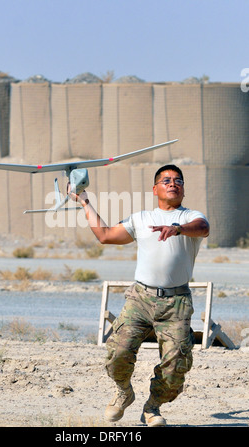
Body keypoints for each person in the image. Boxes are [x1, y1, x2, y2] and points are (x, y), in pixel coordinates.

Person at [69, 164, 209, 426]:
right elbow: (105, 235)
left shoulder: (191, 217)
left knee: (176, 366)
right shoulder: (141, 218)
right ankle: (124, 392)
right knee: (118, 352)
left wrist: (178, 228)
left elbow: (203, 227)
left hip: (176, 303)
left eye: (178, 180)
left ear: (183, 189)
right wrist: (84, 202)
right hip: (140, 299)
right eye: (166, 180)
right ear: (155, 188)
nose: (172, 183)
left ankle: (152, 407)